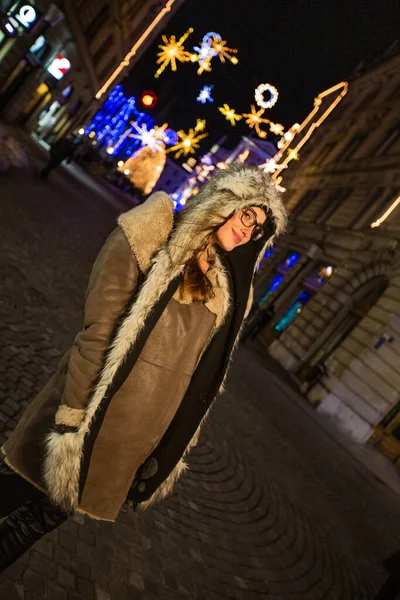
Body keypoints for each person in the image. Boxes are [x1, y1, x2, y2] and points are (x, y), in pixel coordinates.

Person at [0, 163, 287, 571]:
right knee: (15, 489)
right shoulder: (151, 233)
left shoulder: (224, 290)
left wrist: (156, 452)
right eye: (248, 214)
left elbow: (193, 379)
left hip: (120, 441)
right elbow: (98, 332)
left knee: (44, 517)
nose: (249, 230)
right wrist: (72, 417)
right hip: (84, 416)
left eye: (259, 228)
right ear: (226, 200)